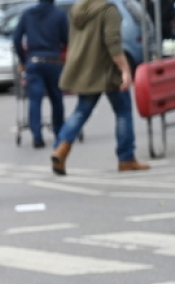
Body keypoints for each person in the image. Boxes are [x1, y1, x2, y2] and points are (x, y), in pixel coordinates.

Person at [51, 0, 150, 174]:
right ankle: (126, 159)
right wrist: (125, 70)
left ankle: (61, 149)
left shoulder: (76, 9)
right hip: (107, 71)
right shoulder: (108, 10)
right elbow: (113, 43)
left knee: (81, 111)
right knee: (123, 112)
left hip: (85, 72)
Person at [13, 0, 69, 149]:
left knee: (35, 100)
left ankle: (37, 136)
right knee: (56, 98)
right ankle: (59, 132)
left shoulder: (27, 14)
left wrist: (23, 60)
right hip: (53, 61)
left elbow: (16, 39)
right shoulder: (59, 15)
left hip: (34, 61)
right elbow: (67, 39)